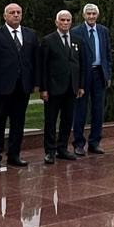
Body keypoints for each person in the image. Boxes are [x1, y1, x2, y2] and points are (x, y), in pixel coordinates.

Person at [0, 2, 39, 170]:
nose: (16, 15)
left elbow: (35, 60)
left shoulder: (30, 34)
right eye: (12, 12)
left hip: (23, 86)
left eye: (18, 12)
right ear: (5, 16)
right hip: (2, 87)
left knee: (18, 122)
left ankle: (14, 155)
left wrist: (36, 83)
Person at [40, 10, 84, 164]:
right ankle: (50, 151)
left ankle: (62, 148)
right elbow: (43, 66)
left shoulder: (77, 40)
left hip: (71, 88)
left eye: (68, 20)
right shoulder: (48, 40)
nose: (65, 23)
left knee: (67, 119)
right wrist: (43, 88)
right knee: (51, 121)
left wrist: (80, 85)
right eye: (62, 20)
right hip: (53, 88)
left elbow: (80, 64)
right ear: (56, 22)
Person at [71, 2, 112, 155]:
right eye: (88, 14)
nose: (91, 16)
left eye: (94, 14)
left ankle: (95, 142)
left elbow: (107, 54)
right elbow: (74, 58)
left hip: (99, 74)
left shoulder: (103, 31)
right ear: (83, 15)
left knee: (98, 110)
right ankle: (78, 144)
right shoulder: (76, 31)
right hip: (83, 75)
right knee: (80, 110)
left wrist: (108, 74)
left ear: (97, 15)